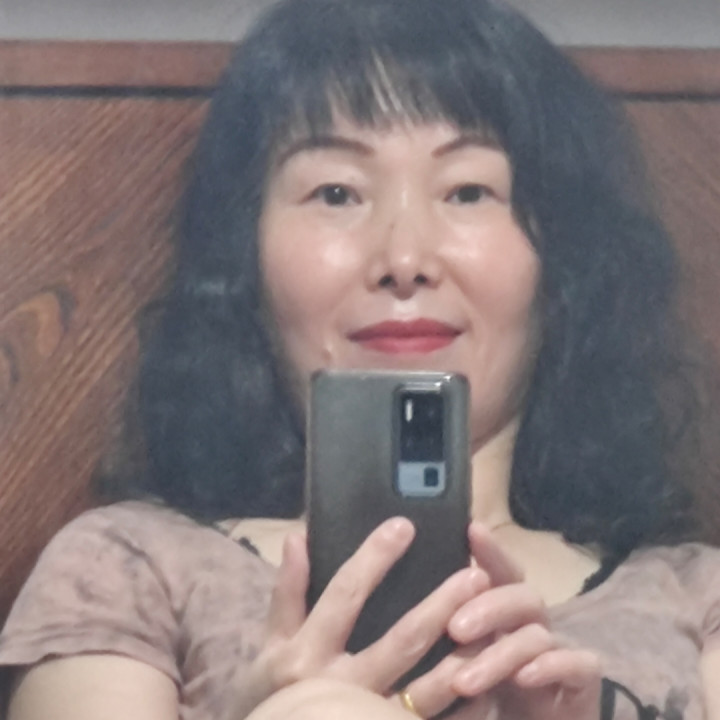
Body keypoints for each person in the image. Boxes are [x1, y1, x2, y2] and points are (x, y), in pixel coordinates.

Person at [0, 0, 718, 718]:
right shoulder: (131, 565)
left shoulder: (696, 597)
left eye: (468, 191)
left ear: (563, 260)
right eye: (336, 193)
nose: (403, 257)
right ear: (246, 258)